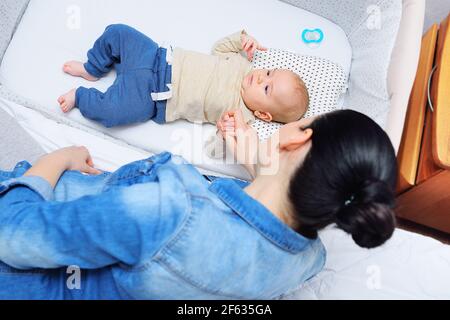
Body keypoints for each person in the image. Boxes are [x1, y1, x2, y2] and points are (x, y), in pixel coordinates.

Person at [0, 109, 397, 299]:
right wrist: (261, 164)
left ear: (296, 140)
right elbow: (263, 219)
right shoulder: (308, 260)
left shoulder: (169, 210)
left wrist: (56, 159)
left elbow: (13, 236)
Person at [57, 24, 309, 128]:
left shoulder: (240, 116)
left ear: (263, 114)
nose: (261, 78)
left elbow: (222, 149)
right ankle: (93, 68)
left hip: (152, 96)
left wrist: (226, 133)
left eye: (267, 89)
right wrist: (241, 40)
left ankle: (81, 97)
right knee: (117, 32)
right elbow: (219, 49)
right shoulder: (242, 65)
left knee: (112, 113)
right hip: (154, 56)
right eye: (268, 72)